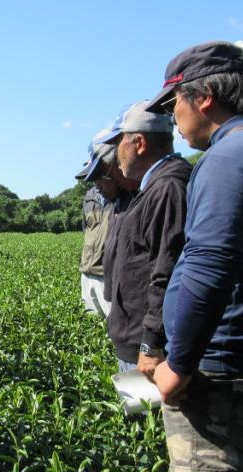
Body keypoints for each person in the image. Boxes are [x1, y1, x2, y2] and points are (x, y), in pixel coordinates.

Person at [145, 41, 243, 472]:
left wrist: (178, 363)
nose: (172, 118)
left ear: (204, 97)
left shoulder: (231, 157)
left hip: (229, 377)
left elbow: (210, 264)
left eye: (173, 102)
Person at [97, 101, 190, 373]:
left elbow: (167, 271)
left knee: (153, 415)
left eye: (118, 145)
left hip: (149, 348)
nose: (116, 155)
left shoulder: (168, 189)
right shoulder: (152, 188)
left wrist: (151, 342)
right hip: (136, 339)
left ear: (139, 142)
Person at [75, 128, 127, 318]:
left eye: (100, 177)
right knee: (90, 322)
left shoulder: (125, 198)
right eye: (93, 178)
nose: (96, 183)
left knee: (112, 327)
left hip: (108, 276)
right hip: (87, 271)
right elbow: (86, 230)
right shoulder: (89, 198)